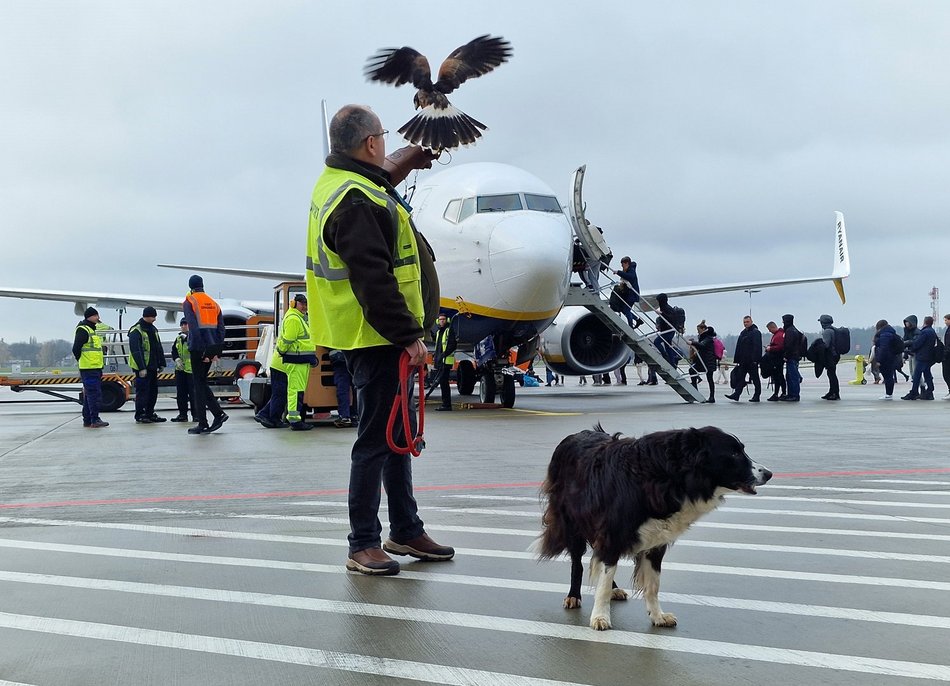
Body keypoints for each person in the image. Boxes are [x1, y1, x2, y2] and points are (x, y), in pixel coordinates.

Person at [306, 104, 453, 576]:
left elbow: (379, 183)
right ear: (371, 143)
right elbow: (374, 280)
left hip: (376, 337)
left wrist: (409, 157)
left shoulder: (350, 185)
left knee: (394, 437)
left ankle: (406, 529)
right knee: (375, 441)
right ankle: (363, 543)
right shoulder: (354, 200)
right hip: (376, 338)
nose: (386, 144)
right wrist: (410, 336)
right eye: (385, 138)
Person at [183, 275, 228, 435]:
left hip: (198, 348)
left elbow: (193, 328)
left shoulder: (190, 301)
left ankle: (204, 422)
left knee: (198, 385)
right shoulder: (214, 303)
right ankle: (218, 414)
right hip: (212, 347)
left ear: (190, 287)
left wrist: (201, 349)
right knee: (201, 383)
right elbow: (222, 329)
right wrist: (216, 350)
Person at [278, 294, 317, 431]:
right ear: (294, 304)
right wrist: (281, 350)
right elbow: (288, 339)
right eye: (302, 304)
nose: (305, 307)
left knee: (298, 390)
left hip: (301, 360)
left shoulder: (299, 318)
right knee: (295, 390)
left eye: (306, 304)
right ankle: (294, 420)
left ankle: (295, 418)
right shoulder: (294, 319)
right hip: (296, 360)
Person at [128, 306, 167, 423]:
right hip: (142, 367)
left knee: (152, 391)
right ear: (147, 316)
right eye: (153, 316)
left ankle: (150, 413)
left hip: (153, 366)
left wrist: (161, 363)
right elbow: (136, 350)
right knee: (142, 392)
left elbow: (158, 347)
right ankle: (140, 414)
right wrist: (141, 368)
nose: (154, 319)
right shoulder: (136, 330)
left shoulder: (153, 329)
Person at [72, 307, 109, 428]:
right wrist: (82, 360)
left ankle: (88, 419)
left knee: (89, 394)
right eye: (96, 316)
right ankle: (94, 419)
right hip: (89, 368)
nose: (98, 318)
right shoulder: (83, 330)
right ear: (90, 317)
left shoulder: (92, 330)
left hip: (95, 367)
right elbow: (76, 349)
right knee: (94, 395)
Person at [725, 315, 763, 402]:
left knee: (755, 378)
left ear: (751, 322)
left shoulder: (755, 332)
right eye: (744, 322)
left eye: (747, 322)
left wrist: (755, 360)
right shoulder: (743, 333)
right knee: (740, 378)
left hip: (752, 361)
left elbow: (757, 347)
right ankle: (736, 394)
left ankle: (757, 396)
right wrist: (737, 359)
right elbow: (739, 347)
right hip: (743, 361)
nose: (745, 324)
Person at [903, 315, 937, 400]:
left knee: (916, 375)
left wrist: (910, 348)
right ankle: (929, 391)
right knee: (927, 374)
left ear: (924, 322)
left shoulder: (925, 332)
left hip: (922, 356)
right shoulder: (932, 331)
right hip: (928, 356)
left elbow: (917, 343)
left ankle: (914, 392)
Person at [169, 318, 195, 422]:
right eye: (182, 324)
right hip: (180, 370)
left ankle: (196, 415)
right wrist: (176, 359)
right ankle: (182, 415)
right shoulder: (179, 338)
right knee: (181, 394)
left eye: (185, 324)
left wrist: (188, 338)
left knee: (193, 394)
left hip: (192, 370)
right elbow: (174, 350)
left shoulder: (194, 337)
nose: (183, 326)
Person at [688, 320, 718, 403]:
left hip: (708, 362)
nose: (698, 332)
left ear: (703, 329)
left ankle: (712, 397)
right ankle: (695, 390)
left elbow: (702, 345)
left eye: (698, 330)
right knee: (692, 370)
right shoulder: (704, 337)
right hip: (703, 361)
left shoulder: (708, 338)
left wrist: (692, 342)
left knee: (709, 378)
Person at [432, 313, 457, 411]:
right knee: (442, 383)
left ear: (447, 320)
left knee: (444, 383)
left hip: (445, 361)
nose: (442, 321)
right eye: (440, 319)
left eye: (443, 319)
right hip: (440, 361)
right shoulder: (439, 332)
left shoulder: (448, 330)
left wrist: (444, 354)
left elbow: (452, 345)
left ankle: (446, 405)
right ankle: (445, 404)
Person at [874, 319, 901, 400]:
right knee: (889, 376)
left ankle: (888, 394)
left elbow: (883, 349)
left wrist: (879, 360)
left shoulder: (884, 335)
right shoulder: (890, 333)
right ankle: (889, 394)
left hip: (886, 359)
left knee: (888, 377)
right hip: (891, 357)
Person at [611, 256, 641, 328]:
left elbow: (630, 277)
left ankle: (630, 326)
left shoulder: (631, 270)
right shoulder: (630, 270)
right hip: (630, 295)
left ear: (627, 263)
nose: (622, 266)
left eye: (623, 264)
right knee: (624, 310)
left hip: (632, 295)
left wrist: (618, 272)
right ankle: (637, 320)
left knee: (626, 310)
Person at [329, 349, 356, 428]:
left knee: (342, 386)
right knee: (356, 386)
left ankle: (344, 416)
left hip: (338, 356)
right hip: (354, 354)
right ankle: (355, 415)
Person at [653, 293, 681, 368]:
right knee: (668, 347)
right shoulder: (666, 307)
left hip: (668, 331)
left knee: (656, 342)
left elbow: (670, 318)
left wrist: (661, 314)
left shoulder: (666, 308)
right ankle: (672, 363)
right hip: (668, 330)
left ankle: (665, 356)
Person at [780, 313, 803, 401]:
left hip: (791, 356)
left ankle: (794, 395)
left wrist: (786, 355)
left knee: (792, 377)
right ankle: (791, 394)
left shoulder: (789, 331)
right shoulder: (794, 330)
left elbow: (789, 345)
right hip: (795, 356)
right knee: (790, 376)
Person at [818, 314, 841, 401]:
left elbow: (826, 345)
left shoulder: (827, 331)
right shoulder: (833, 330)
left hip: (831, 355)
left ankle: (835, 393)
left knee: (832, 375)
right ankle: (832, 391)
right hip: (835, 355)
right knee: (831, 374)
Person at [763, 321, 786, 401]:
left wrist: (770, 348)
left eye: (769, 329)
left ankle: (778, 393)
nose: (769, 331)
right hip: (778, 359)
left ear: (773, 327)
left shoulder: (778, 336)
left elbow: (780, 347)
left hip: (777, 359)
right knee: (779, 376)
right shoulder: (779, 334)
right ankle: (781, 393)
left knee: (778, 377)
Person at [943, 314, 950, 396]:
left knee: (947, 374)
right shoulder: (948, 329)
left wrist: (945, 354)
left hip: (948, 355)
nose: (945, 322)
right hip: (947, 354)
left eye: (946, 320)